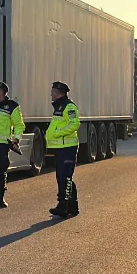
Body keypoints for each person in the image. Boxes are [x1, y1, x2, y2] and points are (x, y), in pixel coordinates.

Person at [46, 81, 81, 217]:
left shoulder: (69, 107)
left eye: (52, 92)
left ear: (57, 93)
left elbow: (74, 124)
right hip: (60, 147)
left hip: (68, 147)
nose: (50, 94)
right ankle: (72, 206)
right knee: (64, 177)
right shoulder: (59, 107)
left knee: (64, 177)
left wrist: (56, 133)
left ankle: (63, 206)